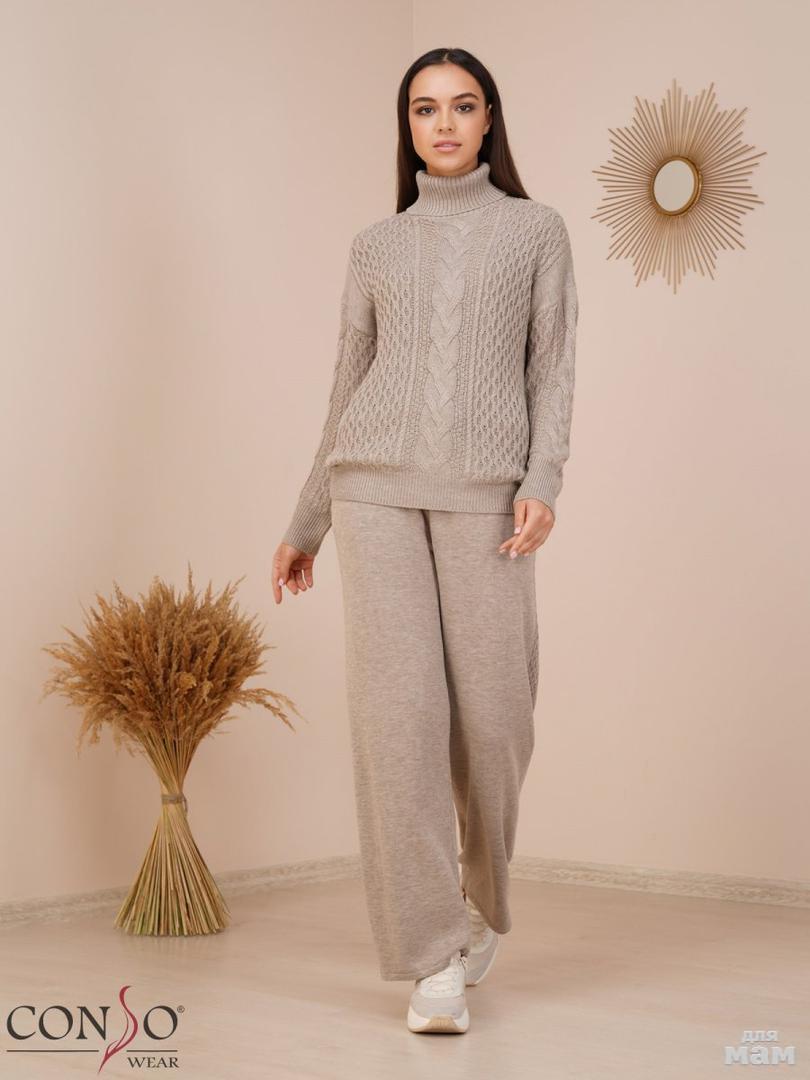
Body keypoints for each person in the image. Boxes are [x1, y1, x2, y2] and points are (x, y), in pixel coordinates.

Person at [272, 46, 578, 1034]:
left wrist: (542, 482)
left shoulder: (537, 230)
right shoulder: (376, 245)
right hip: (371, 494)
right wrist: (307, 519)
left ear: (489, 120)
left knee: (495, 721)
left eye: (461, 105)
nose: (443, 124)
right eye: (424, 109)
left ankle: (480, 902)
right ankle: (431, 955)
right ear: (407, 128)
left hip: (487, 499)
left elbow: (552, 368)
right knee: (398, 725)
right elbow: (346, 384)